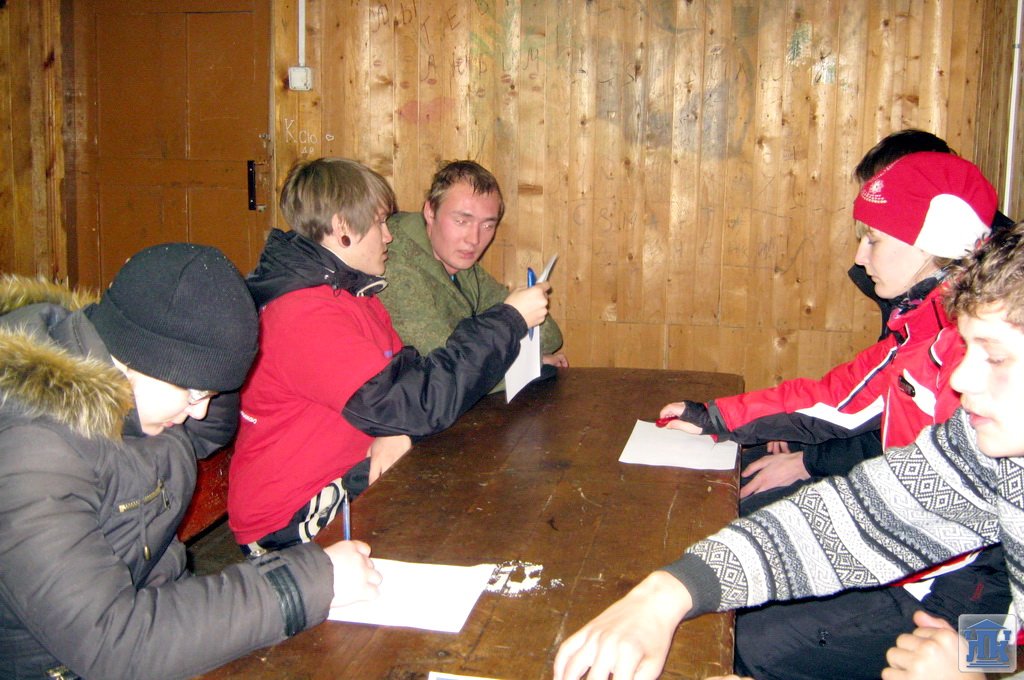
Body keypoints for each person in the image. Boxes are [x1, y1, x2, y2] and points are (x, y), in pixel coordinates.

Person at [553, 218, 1024, 680]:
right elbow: (865, 514)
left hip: (962, 599)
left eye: (997, 357)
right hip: (938, 586)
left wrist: (976, 668)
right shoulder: (982, 448)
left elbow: (1006, 636)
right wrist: (668, 591)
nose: (962, 378)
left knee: (755, 641)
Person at [657, 151, 1009, 679]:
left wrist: (978, 666)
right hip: (914, 558)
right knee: (735, 594)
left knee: (749, 641)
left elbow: (999, 596)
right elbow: (840, 403)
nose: (860, 257)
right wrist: (718, 417)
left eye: (874, 240)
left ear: (932, 244)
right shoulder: (921, 330)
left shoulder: (960, 363)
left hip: (950, 593)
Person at [0, 244, 381, 679]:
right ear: (138, 357)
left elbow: (209, 419)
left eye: (210, 394)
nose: (199, 412)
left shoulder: (136, 391)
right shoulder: (31, 451)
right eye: (195, 393)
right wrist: (309, 582)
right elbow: (112, 641)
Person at [228, 157, 552, 555]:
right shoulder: (304, 313)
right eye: (380, 223)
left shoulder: (353, 295)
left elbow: (408, 384)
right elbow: (418, 403)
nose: (389, 236)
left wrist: (396, 428)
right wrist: (509, 320)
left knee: (487, 486)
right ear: (343, 228)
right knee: (482, 515)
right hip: (291, 518)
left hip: (348, 473)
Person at [378, 159, 567, 391]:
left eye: (487, 226)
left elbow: (548, 336)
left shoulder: (459, 262)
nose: (474, 240)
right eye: (461, 221)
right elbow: (451, 376)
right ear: (430, 212)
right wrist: (525, 364)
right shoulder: (393, 267)